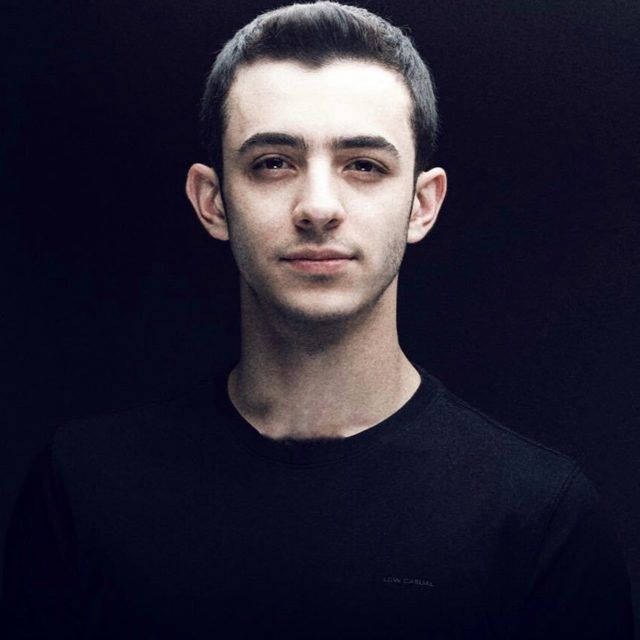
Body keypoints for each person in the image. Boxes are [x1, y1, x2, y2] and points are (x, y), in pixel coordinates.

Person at [1, 2, 634, 638]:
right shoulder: (85, 487)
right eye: (273, 162)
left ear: (422, 204)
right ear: (212, 201)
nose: (319, 207)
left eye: (364, 165)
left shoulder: (539, 516)